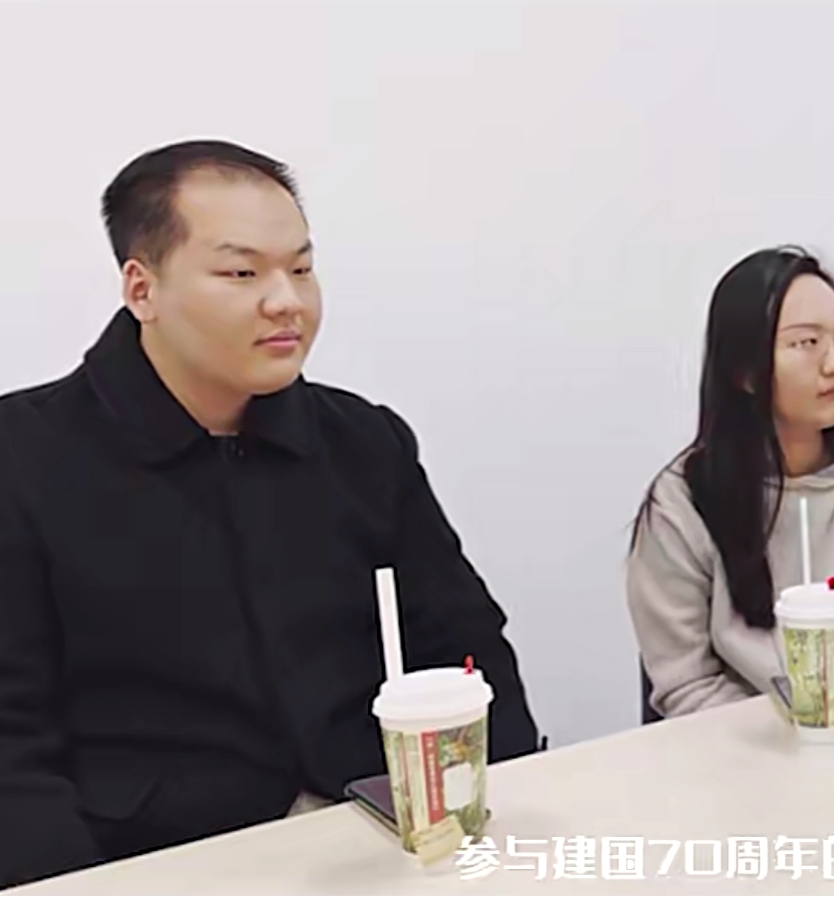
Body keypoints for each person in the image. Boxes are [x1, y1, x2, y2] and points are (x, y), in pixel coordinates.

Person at [0, 140, 541, 888]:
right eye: (242, 273)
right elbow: (12, 745)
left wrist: (500, 836)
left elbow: (466, 647)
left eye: (302, 268)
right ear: (142, 288)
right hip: (159, 861)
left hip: (381, 839)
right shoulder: (24, 460)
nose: (286, 301)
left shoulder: (361, 441)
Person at [626, 245, 834, 719]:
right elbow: (688, 685)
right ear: (744, 372)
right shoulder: (682, 506)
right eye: (807, 343)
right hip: (738, 753)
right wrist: (798, 741)